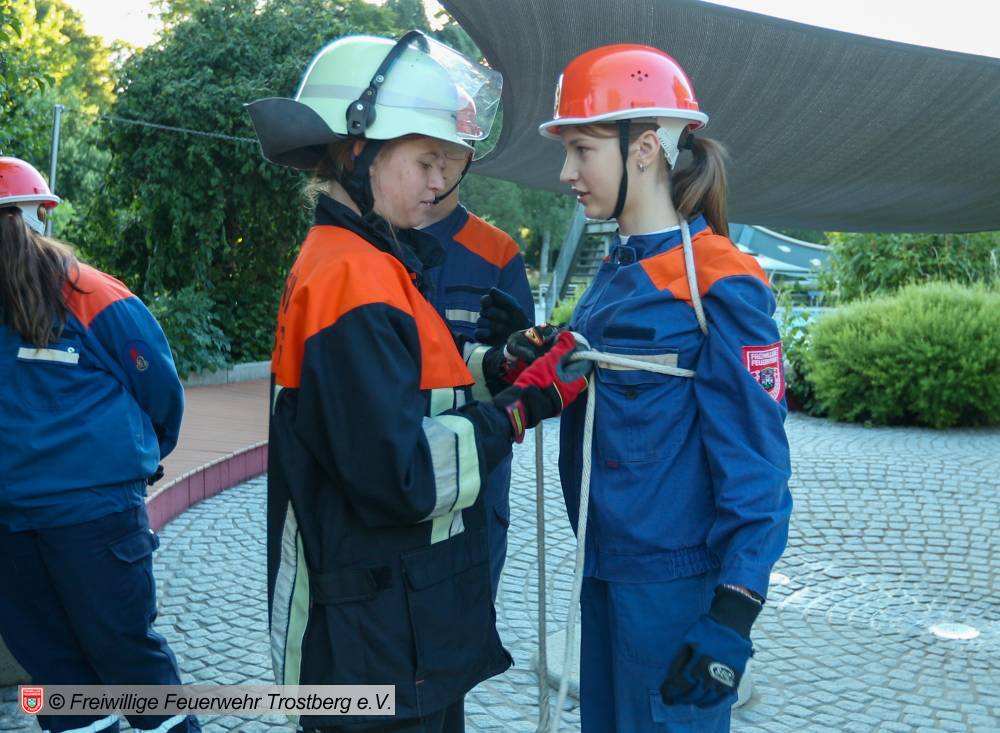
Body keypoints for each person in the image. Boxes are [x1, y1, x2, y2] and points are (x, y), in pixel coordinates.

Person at [246, 31, 589, 733]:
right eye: (426, 160)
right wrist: (524, 406)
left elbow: (404, 389)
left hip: (391, 630)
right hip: (376, 645)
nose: (441, 183)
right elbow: (401, 474)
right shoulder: (352, 278)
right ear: (358, 150)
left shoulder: (365, 261)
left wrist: (497, 367)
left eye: (447, 163)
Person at [535, 45, 794, 732]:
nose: (566, 172)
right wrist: (524, 358)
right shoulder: (616, 271)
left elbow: (759, 462)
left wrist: (734, 611)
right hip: (603, 571)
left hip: (673, 592)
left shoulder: (721, 281)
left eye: (582, 149)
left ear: (645, 148)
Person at [0, 156, 198, 733]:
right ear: (40, 215)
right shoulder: (90, 290)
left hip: (12, 519)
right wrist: (143, 457)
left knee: (54, 674)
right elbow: (159, 386)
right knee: (132, 660)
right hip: (96, 514)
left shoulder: (86, 291)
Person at [420, 141, 534, 601]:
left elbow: (526, 385)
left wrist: (516, 353)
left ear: (469, 156)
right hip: (395, 470)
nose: (438, 162)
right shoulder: (376, 243)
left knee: (468, 621)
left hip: (478, 482)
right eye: (426, 147)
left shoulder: (498, 253)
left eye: (452, 150)